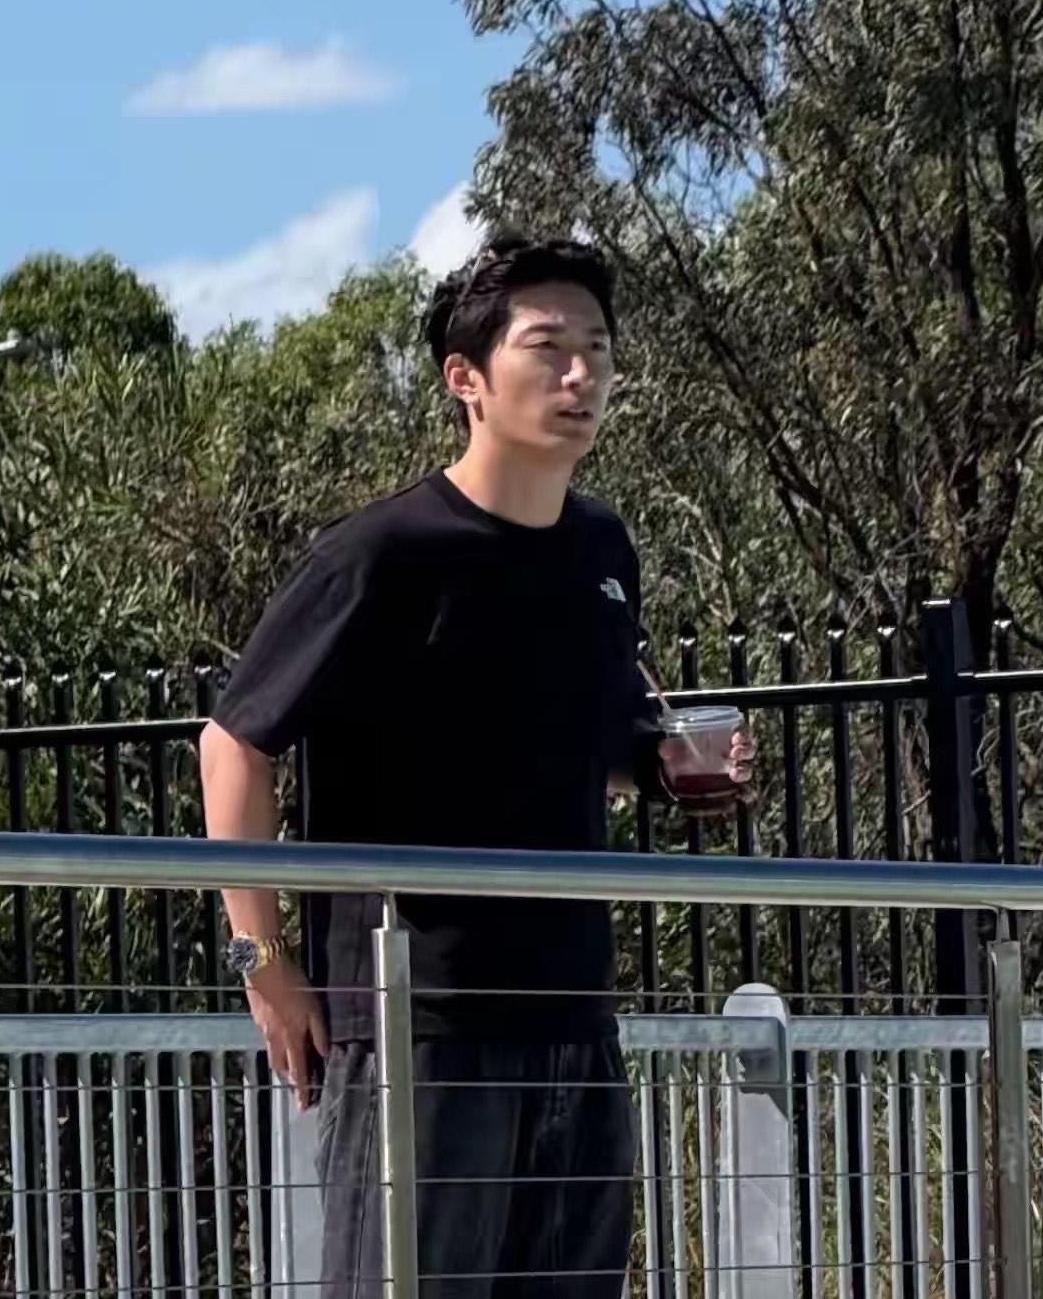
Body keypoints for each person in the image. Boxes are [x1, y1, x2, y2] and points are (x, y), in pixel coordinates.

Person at [199, 233, 754, 1297]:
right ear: (466, 378)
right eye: (547, 347)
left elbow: (598, 738)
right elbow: (233, 743)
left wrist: (671, 766)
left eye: (597, 348)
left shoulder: (600, 547)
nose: (580, 374)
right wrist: (264, 964)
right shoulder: (381, 554)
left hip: (575, 1020)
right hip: (419, 1025)